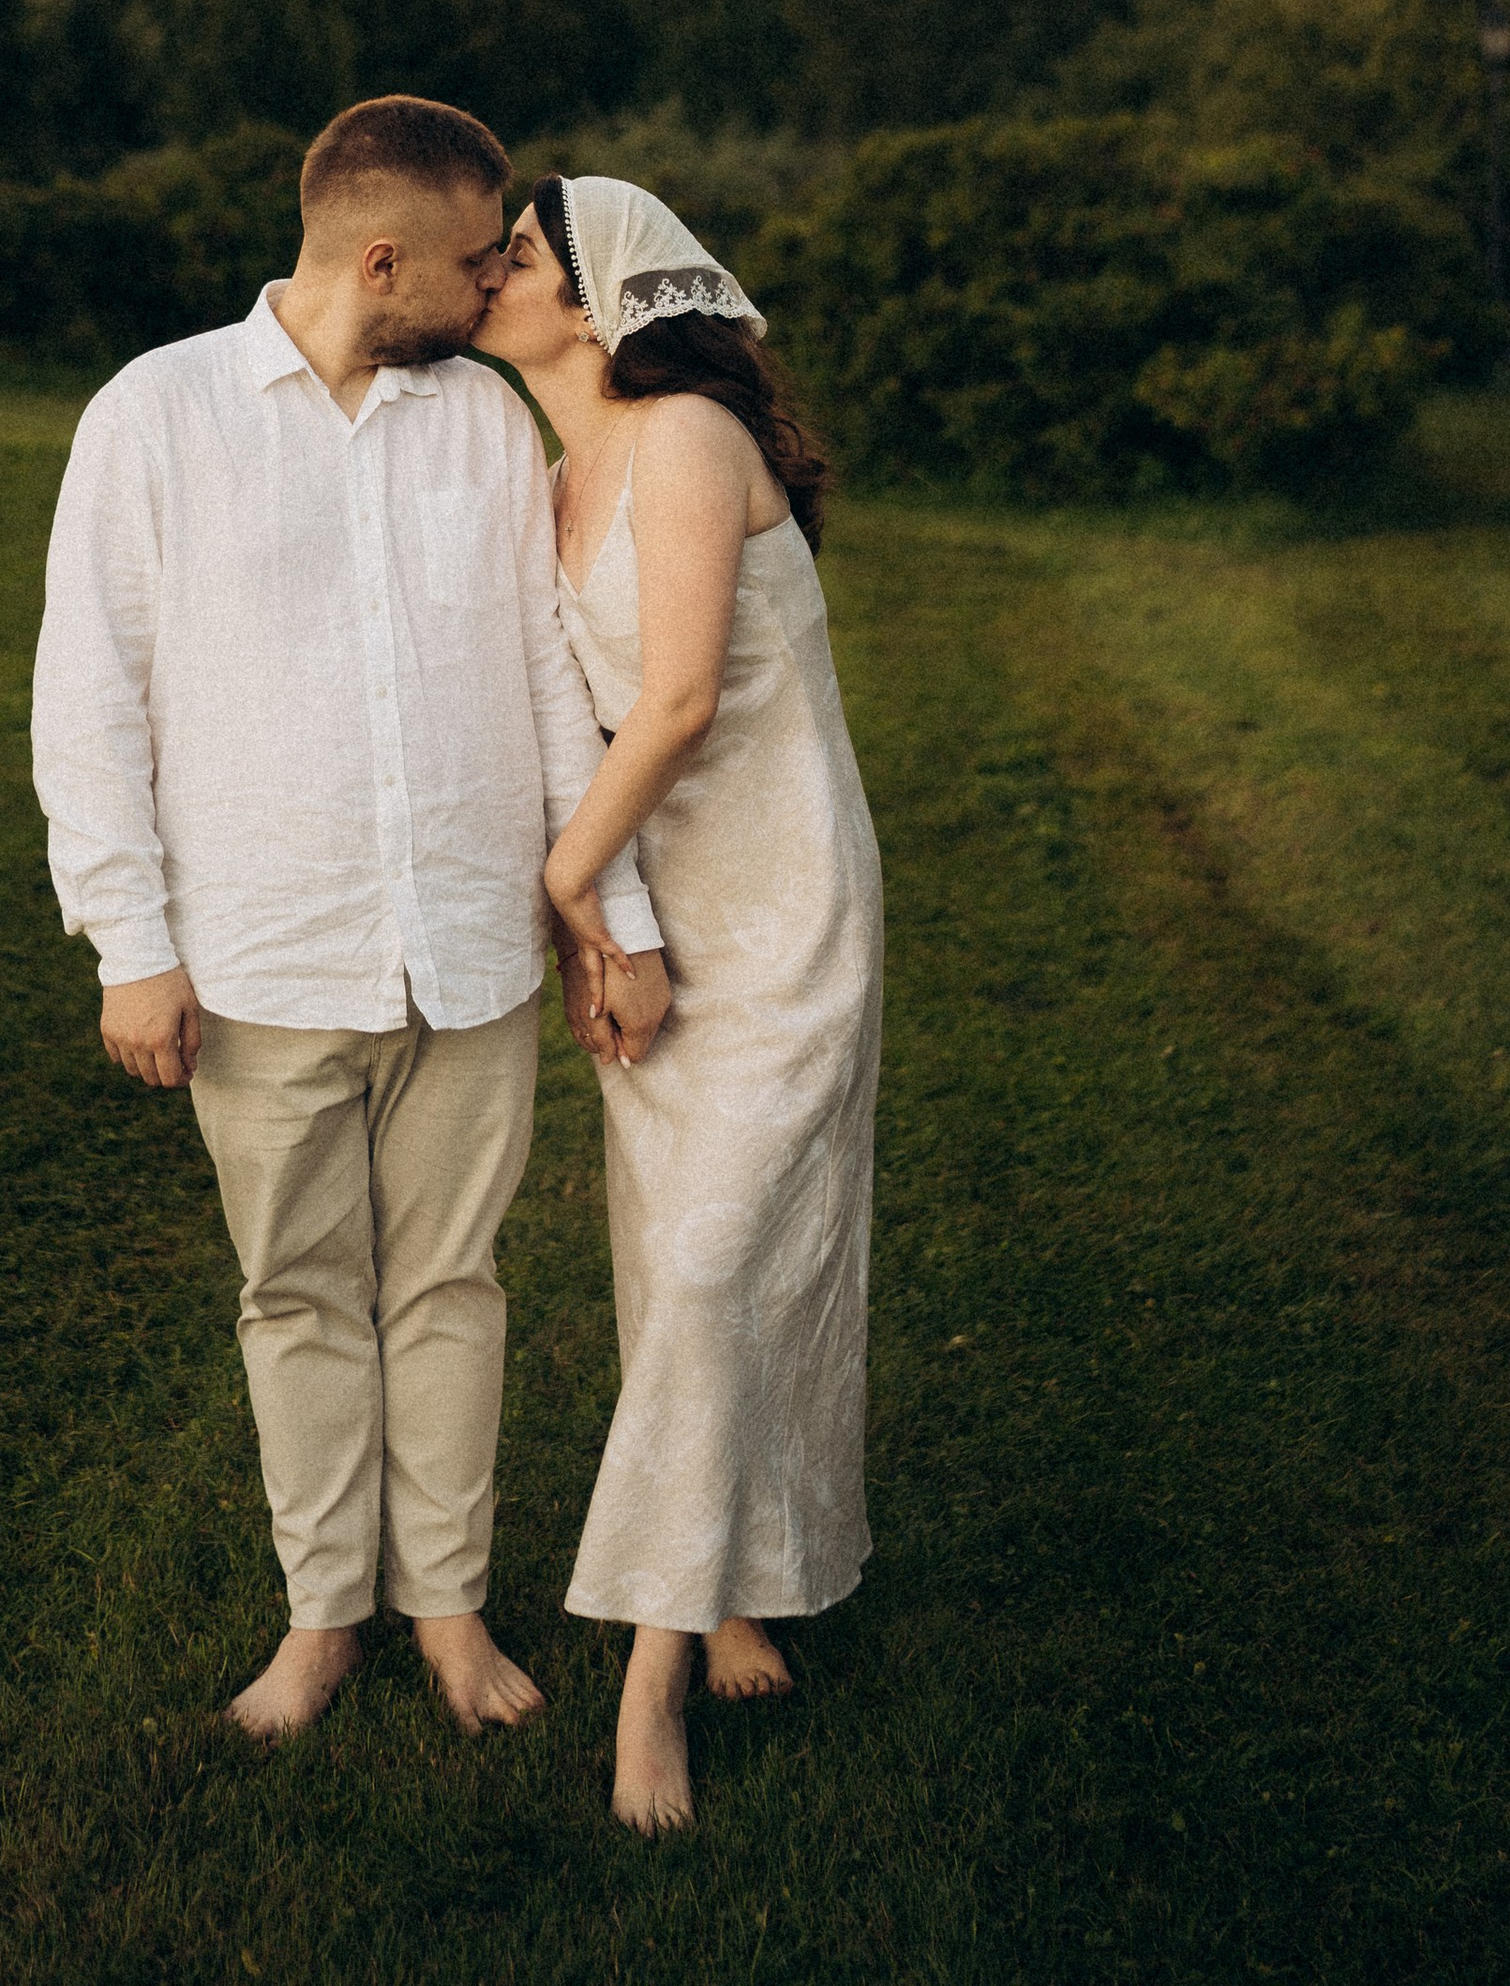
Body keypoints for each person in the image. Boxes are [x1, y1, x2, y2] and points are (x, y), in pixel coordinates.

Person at [31, 95, 666, 1744]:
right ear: (379, 257)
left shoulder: (476, 425)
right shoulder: (155, 417)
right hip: (259, 955)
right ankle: (323, 1619)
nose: (492, 289)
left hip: (465, 949)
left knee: (452, 1286)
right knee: (298, 1293)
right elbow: (87, 698)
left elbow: (548, 686)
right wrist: (132, 945)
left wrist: (608, 915)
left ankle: (446, 1609)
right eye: (474, 262)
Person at [475, 172, 883, 1835]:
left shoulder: (693, 443)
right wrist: (607, 917)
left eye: (512, 256)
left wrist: (568, 886)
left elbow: (688, 695)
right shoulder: (557, 476)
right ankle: (727, 1586)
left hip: (783, 910)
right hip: (657, 915)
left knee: (724, 1264)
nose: (485, 276)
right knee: (684, 1269)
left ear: (594, 295)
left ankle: (644, 1694)